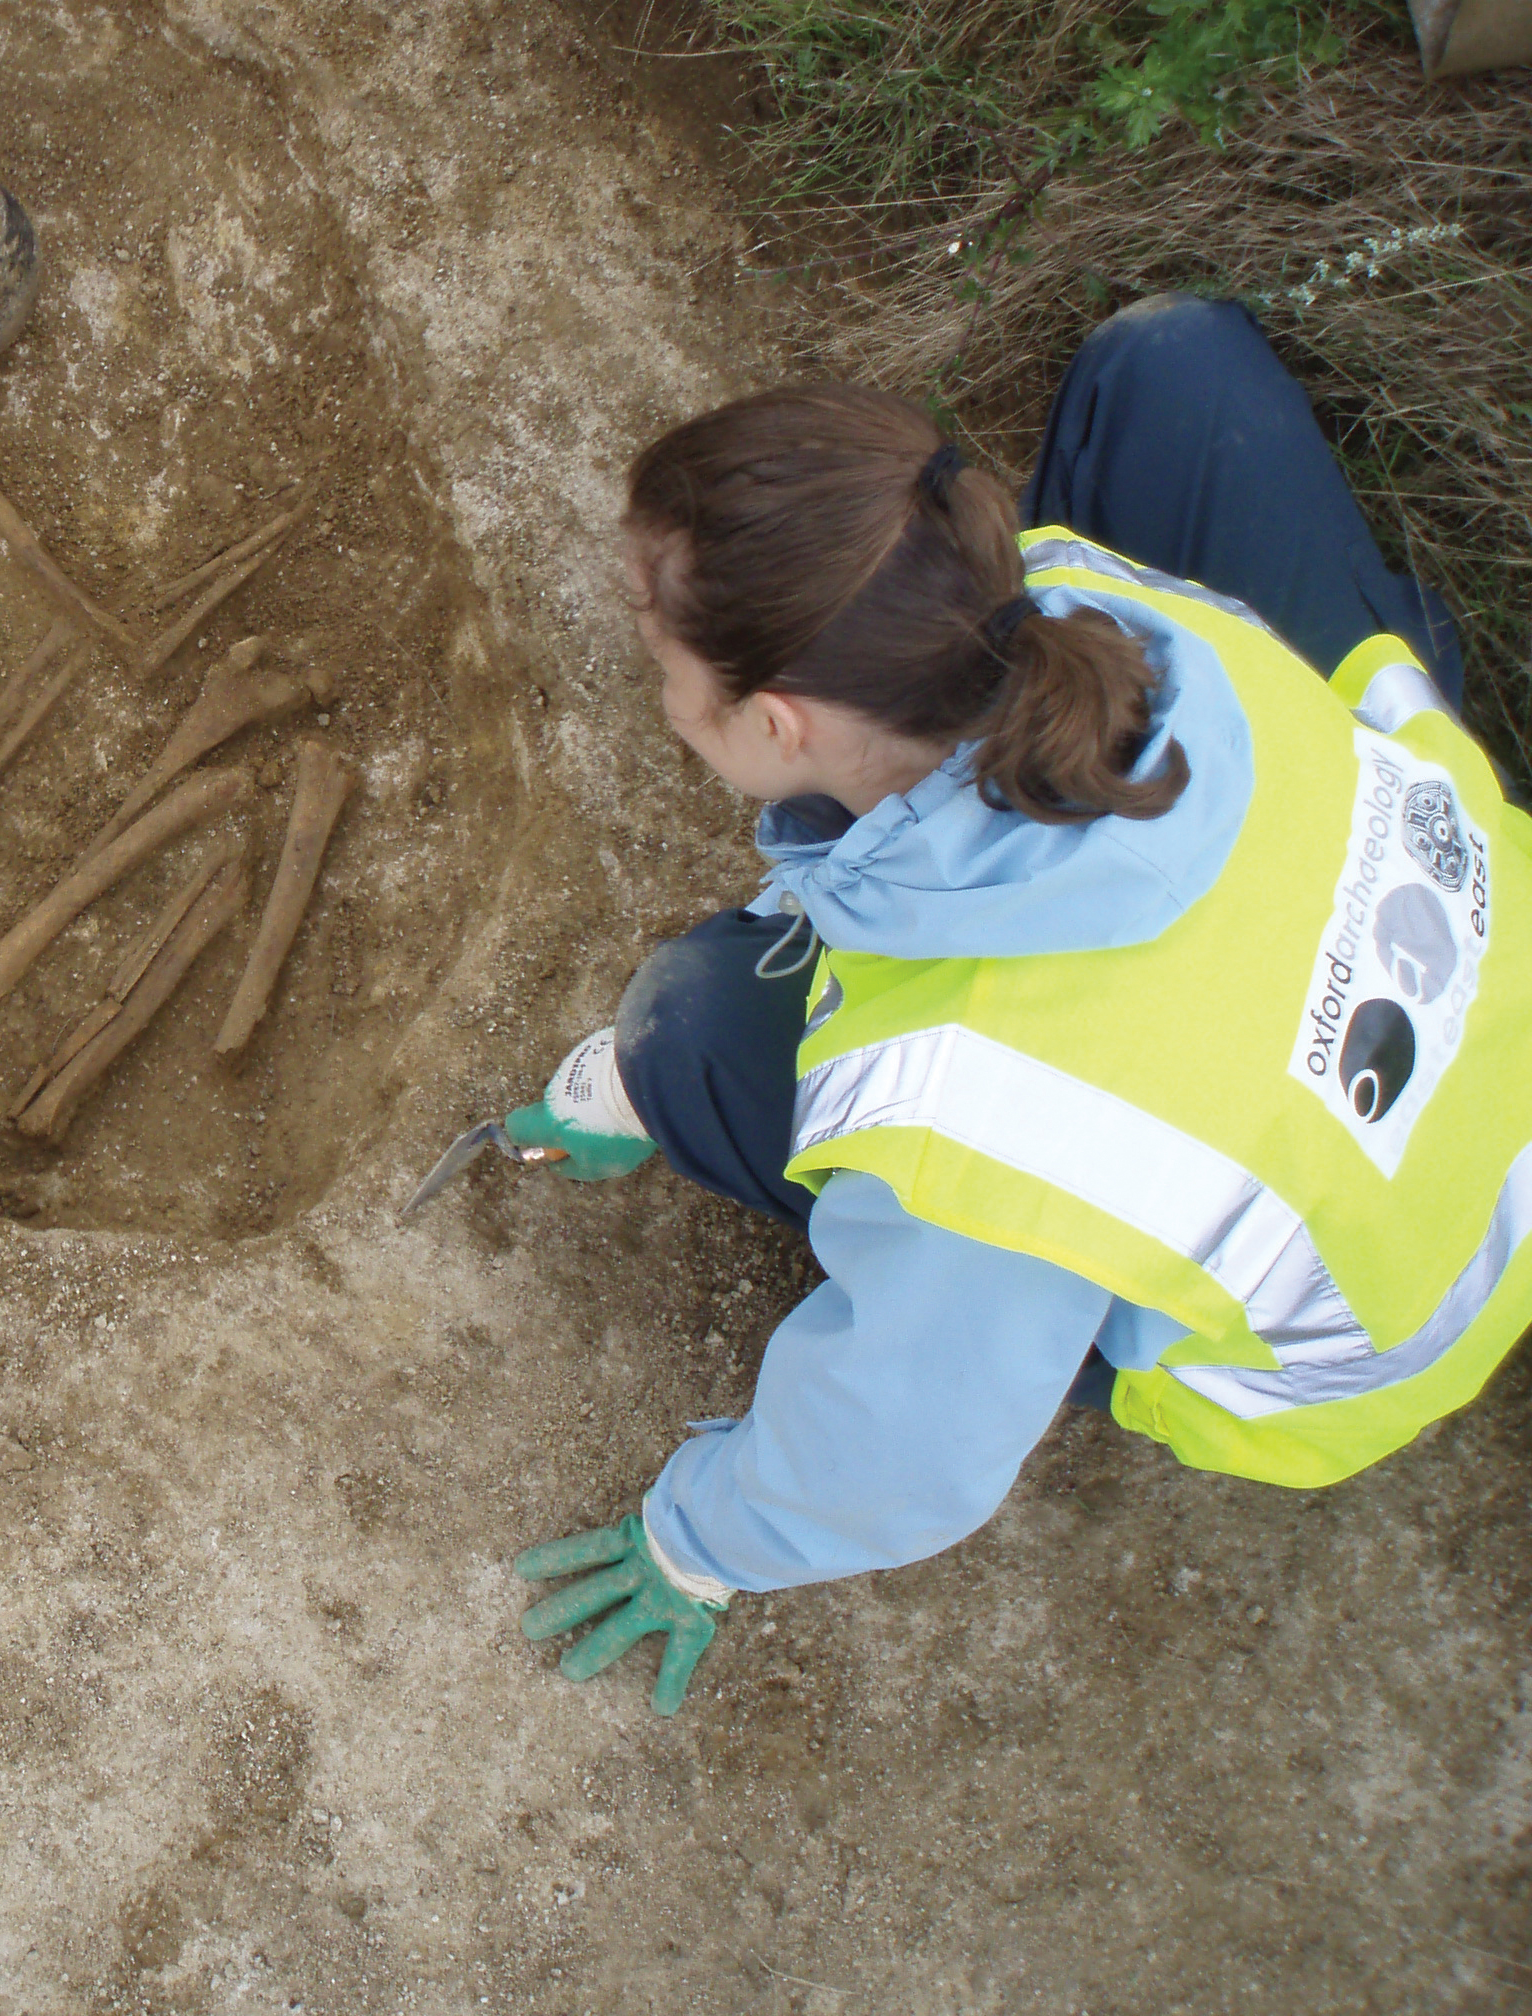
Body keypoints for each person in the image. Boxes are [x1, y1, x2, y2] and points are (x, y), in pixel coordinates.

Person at [485, 296, 1531, 1714]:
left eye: (666, 669)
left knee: (695, 1026)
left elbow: (910, 1451)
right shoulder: (1090, 608)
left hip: (1353, 1325)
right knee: (1168, 369)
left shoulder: (987, 1121)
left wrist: (700, 1540)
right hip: (1475, 976)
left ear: (779, 727)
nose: (654, 679)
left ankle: (684, 1086)